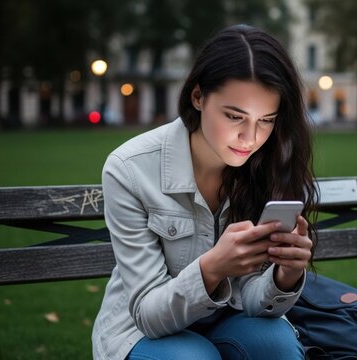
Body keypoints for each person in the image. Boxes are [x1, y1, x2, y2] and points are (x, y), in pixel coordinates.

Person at [92, 24, 318, 360]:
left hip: (226, 322)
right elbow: (149, 315)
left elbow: (252, 300)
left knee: (278, 346)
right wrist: (212, 267)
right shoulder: (129, 168)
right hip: (138, 333)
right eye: (234, 116)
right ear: (198, 97)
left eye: (266, 120)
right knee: (194, 357)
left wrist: (285, 276)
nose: (250, 138)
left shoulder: (268, 165)